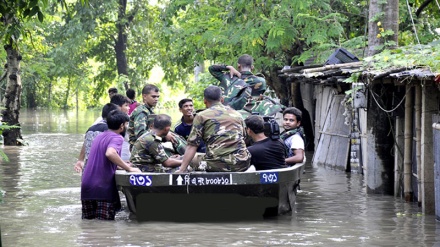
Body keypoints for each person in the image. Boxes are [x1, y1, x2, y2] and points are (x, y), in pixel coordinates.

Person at [81, 110, 141, 220]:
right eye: (127, 124)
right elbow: (110, 153)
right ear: (122, 125)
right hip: (102, 187)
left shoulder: (99, 136)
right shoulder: (117, 137)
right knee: (104, 227)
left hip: (86, 186)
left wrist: (119, 165)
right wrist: (128, 168)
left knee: (89, 226)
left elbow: (101, 159)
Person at [177, 86, 251, 173]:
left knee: (192, 158)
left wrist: (182, 170)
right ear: (222, 99)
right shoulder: (237, 114)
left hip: (216, 165)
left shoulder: (201, 116)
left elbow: (192, 145)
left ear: (205, 101)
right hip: (241, 163)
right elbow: (245, 137)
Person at [74, 103, 119, 174]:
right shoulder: (111, 131)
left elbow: (85, 144)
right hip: (102, 173)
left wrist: (80, 160)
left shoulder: (90, 129)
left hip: (87, 172)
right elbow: (110, 154)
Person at [128, 84, 159, 149]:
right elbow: (140, 134)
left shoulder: (148, 110)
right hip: (139, 151)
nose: (156, 99)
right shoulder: (141, 112)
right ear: (144, 96)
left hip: (145, 146)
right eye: (153, 97)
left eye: (157, 97)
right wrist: (161, 134)